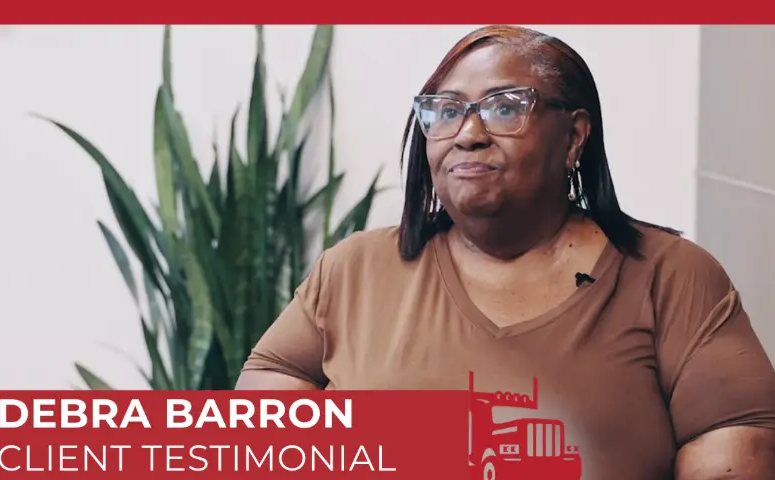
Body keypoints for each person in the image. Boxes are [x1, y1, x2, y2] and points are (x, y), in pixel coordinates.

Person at [236, 25, 775, 479]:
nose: (466, 134)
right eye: (444, 112)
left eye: (504, 107)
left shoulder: (671, 276)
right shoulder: (353, 269)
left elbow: (738, 440)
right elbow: (267, 396)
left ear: (573, 138)